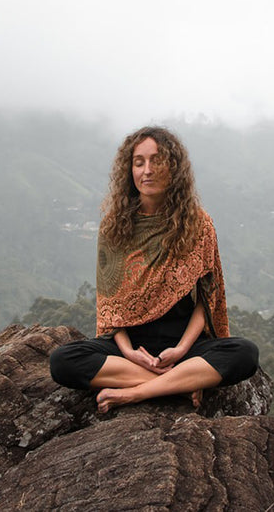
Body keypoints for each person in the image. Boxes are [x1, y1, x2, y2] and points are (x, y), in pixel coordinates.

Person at [50, 126, 259, 413]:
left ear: (173, 168)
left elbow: (207, 299)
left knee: (245, 354)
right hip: (131, 347)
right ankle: (180, 385)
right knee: (63, 361)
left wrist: (183, 350)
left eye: (156, 160)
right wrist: (129, 352)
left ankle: (136, 393)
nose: (147, 170)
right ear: (130, 170)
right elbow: (110, 308)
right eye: (139, 162)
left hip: (182, 345)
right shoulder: (114, 226)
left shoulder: (198, 224)